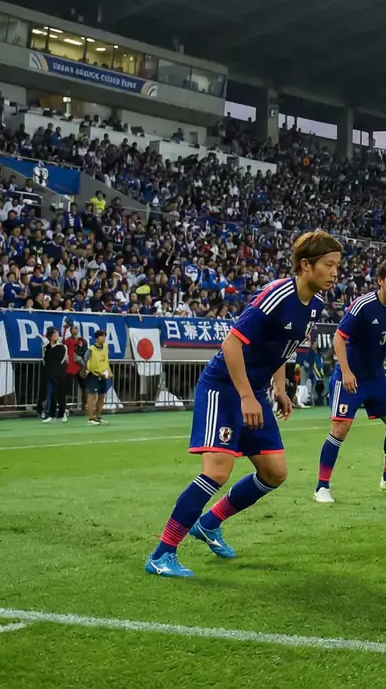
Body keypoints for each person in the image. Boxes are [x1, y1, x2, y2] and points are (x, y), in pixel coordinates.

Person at [144, 230, 340, 578]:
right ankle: (162, 554)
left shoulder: (315, 306)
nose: (335, 272)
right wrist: (248, 396)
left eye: (337, 265)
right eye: (329, 264)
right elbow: (231, 344)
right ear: (305, 265)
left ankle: (209, 523)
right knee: (216, 472)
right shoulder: (276, 295)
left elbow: (282, 349)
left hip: (256, 392)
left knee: (274, 473)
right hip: (223, 389)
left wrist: (279, 388)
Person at [315, 260, 386, 503]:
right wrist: (346, 372)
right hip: (350, 376)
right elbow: (339, 338)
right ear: (380, 281)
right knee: (340, 429)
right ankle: (321, 488)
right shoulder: (363, 305)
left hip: (376, 377)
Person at [84, 330, 112, 425]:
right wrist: (87, 370)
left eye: (104, 337)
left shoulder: (105, 347)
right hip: (93, 375)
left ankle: (98, 417)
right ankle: (91, 418)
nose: (104, 338)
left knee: (101, 396)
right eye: (102, 337)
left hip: (103, 374)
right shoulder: (91, 349)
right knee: (91, 396)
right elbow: (85, 359)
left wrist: (107, 372)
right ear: (96, 338)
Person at [41, 328, 69, 423]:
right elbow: (45, 361)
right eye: (54, 334)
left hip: (60, 374)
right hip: (50, 375)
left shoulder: (62, 347)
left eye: (56, 333)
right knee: (51, 395)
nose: (56, 335)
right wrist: (49, 373)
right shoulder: (45, 347)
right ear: (50, 336)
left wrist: (57, 372)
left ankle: (62, 413)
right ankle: (51, 415)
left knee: (61, 395)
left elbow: (62, 360)